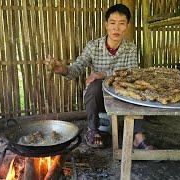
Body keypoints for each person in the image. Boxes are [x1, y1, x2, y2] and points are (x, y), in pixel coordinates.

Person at [45, 4, 152, 149]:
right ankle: (93, 130)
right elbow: (76, 68)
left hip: (123, 97)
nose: (116, 28)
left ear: (127, 26)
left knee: (138, 87)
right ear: (106, 25)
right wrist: (62, 69)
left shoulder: (131, 48)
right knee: (95, 85)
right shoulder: (93, 46)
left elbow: (132, 73)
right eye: (112, 23)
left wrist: (103, 74)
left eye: (122, 24)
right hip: (99, 98)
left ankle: (138, 136)